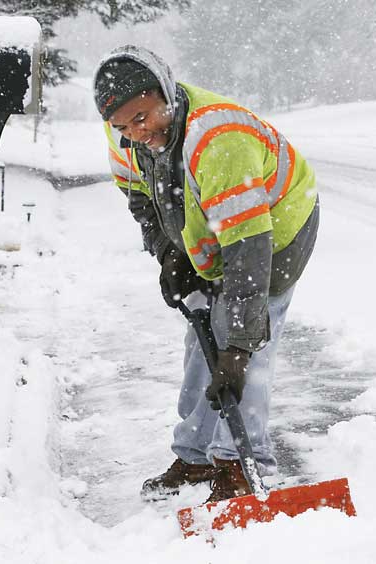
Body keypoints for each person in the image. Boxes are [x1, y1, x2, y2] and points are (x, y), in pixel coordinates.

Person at [93, 45, 320, 503]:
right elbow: (142, 200)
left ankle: (243, 464)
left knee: (246, 348)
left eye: (143, 118)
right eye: (123, 125)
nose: (137, 133)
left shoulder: (219, 139)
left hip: (276, 231)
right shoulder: (124, 132)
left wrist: (237, 347)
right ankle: (196, 456)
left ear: (167, 96)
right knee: (201, 341)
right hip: (216, 226)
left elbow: (248, 253)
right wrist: (168, 253)